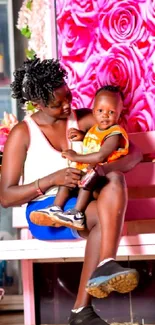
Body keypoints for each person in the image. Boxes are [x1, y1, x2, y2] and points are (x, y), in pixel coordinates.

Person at [0, 57, 142, 325]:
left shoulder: (83, 118)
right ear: (37, 104)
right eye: (58, 104)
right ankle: (83, 307)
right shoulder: (23, 133)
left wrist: (99, 170)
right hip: (46, 212)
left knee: (114, 178)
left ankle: (106, 266)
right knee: (103, 216)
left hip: (78, 206)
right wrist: (51, 179)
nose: (68, 106)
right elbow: (6, 197)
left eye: (69, 96)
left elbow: (133, 153)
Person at [30, 86, 129, 232]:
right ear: (94, 111)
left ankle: (77, 213)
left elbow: (101, 155)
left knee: (86, 180)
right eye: (100, 111)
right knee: (68, 178)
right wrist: (83, 137)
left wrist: (76, 156)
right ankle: (55, 208)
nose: (105, 115)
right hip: (89, 169)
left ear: (119, 116)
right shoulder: (96, 130)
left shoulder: (115, 133)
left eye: (111, 112)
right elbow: (95, 142)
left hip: (102, 176)